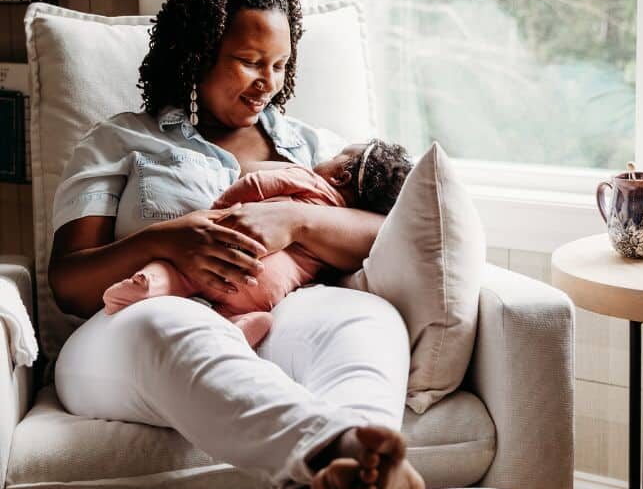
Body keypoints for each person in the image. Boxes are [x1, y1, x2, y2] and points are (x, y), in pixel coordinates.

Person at [48, 0, 425, 489]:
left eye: (278, 66)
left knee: (366, 314)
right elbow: (68, 283)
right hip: (130, 327)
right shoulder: (120, 142)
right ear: (195, 53)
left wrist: (297, 221)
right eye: (249, 61)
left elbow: (391, 232)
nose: (266, 83)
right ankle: (340, 455)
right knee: (170, 324)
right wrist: (164, 241)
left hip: (274, 322)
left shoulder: (313, 148)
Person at [101, 141, 413, 347]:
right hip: (269, 286)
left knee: (179, 273)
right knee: (221, 309)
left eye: (335, 156)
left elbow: (255, 182)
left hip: (230, 248)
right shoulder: (342, 228)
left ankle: (148, 285)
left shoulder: (306, 178)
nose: (324, 158)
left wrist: (222, 206)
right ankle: (239, 324)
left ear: (340, 176)